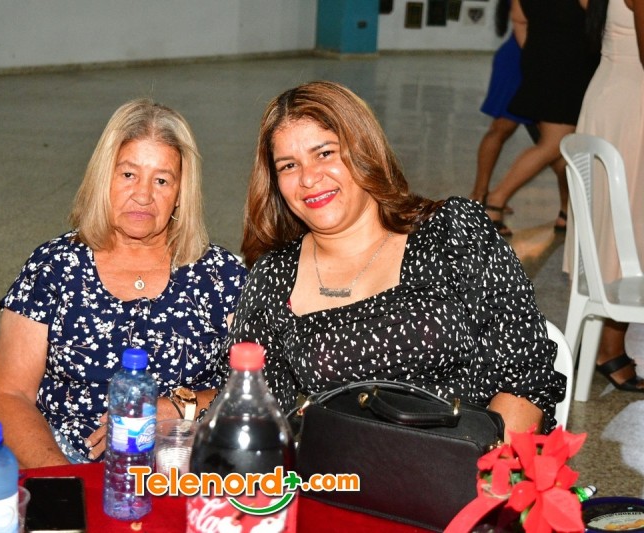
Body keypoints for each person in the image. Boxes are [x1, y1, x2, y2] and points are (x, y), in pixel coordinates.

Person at [226, 81, 566, 440]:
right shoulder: (275, 275)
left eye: (324, 153)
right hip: (346, 468)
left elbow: (524, 379)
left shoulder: (452, 233)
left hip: (471, 458)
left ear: (363, 149)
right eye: (289, 165)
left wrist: (484, 469)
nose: (309, 178)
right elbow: (256, 415)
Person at [0, 99, 248, 467]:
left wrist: (178, 407)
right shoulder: (54, 266)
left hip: (185, 463)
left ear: (180, 194)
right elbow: (9, 394)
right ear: (103, 177)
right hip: (66, 460)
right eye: (128, 175)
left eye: (161, 180)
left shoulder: (221, 275)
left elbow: (260, 389)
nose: (143, 195)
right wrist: (66, 483)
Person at [563, 0, 644, 391]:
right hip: (632, 102)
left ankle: (600, 340)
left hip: (613, 94)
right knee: (625, 219)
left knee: (615, 217)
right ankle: (607, 348)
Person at [484, 0, 600, 237]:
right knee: (553, 144)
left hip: (539, 61)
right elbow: (598, 16)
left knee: (563, 149)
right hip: (568, 65)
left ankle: (567, 211)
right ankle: (495, 202)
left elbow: (519, 20)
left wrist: (538, 52)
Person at [469, 0, 542, 206]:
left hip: (528, 59)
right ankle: (480, 194)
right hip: (518, 62)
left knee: (548, 140)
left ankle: (483, 194)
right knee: (502, 127)